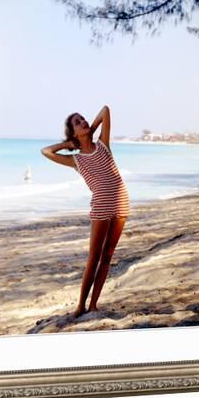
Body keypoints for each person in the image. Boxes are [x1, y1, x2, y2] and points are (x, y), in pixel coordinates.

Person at [41, 105, 130, 318]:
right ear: (73, 133)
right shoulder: (76, 160)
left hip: (121, 202)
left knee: (108, 256)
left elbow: (106, 110)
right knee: (94, 257)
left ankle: (93, 305)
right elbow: (46, 152)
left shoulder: (103, 144)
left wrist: (91, 127)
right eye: (77, 122)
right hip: (101, 205)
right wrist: (67, 143)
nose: (83, 122)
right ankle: (81, 305)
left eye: (83, 119)